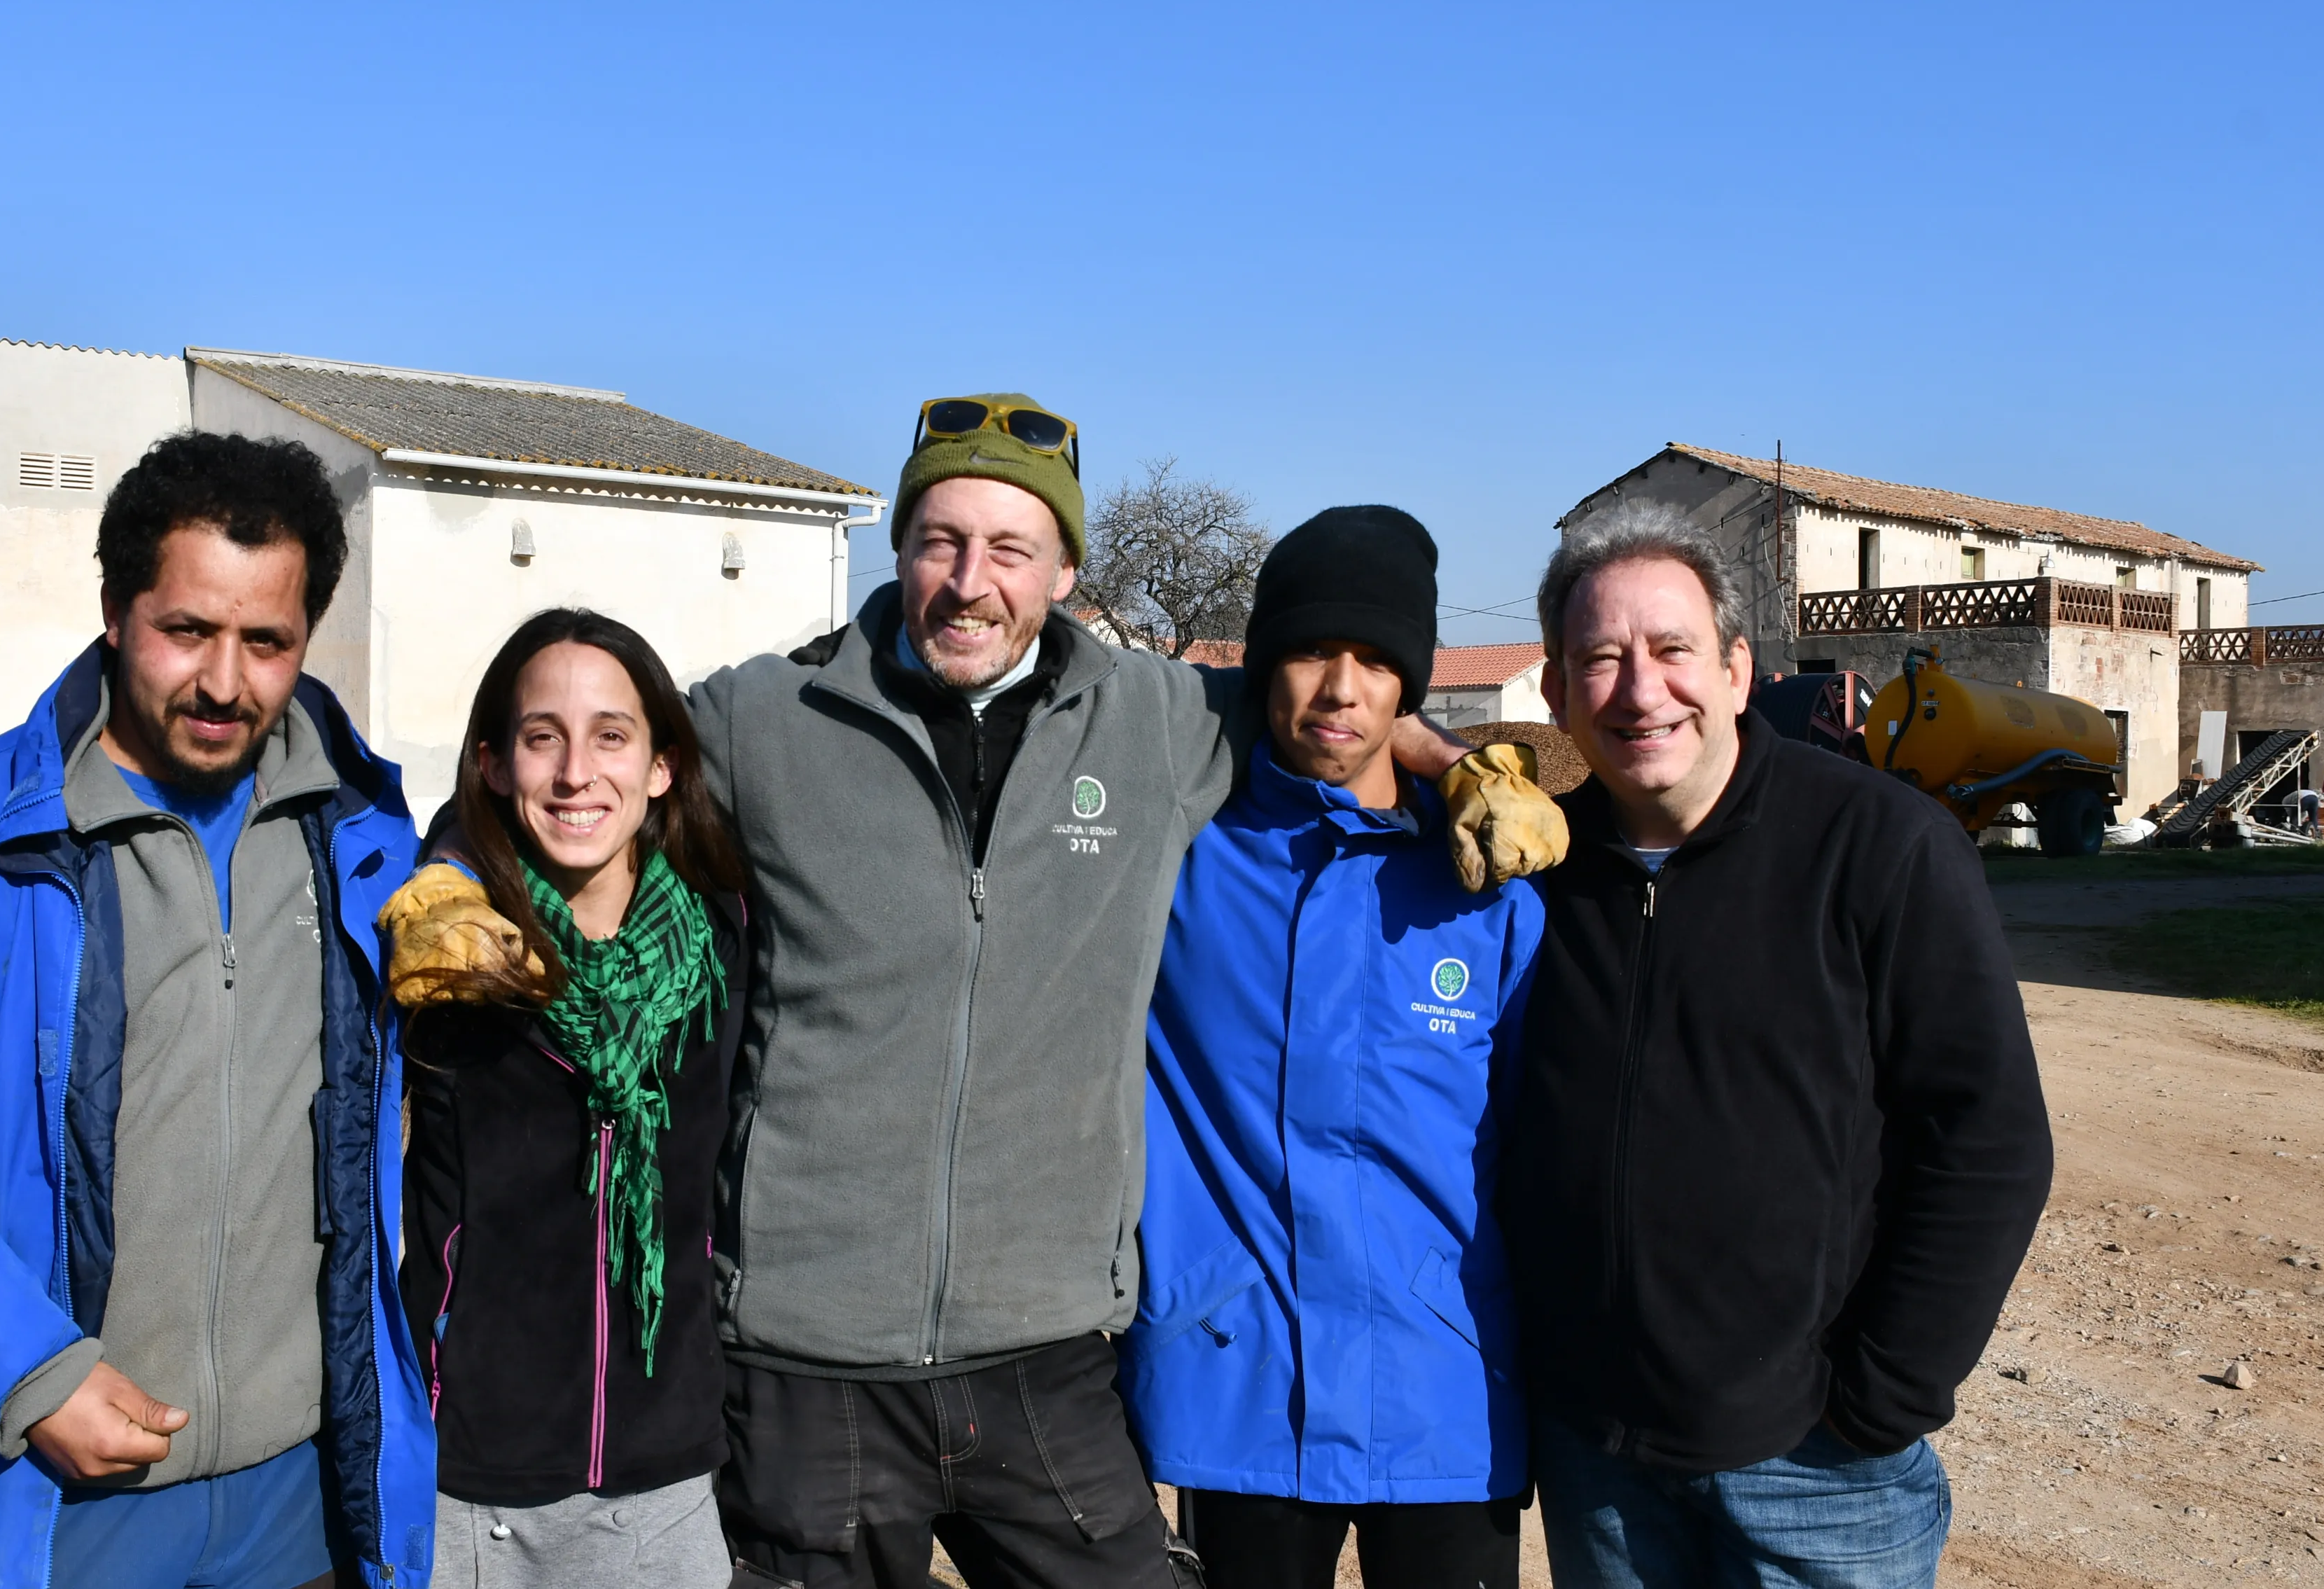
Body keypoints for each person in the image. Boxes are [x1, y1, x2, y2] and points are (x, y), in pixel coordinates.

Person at [385, 394, 1566, 1588]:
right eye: (940, 542)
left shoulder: (1157, 722)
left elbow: (1333, 707)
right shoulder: (764, 716)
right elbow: (581, 767)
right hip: (807, 1361)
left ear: (1062, 571)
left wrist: (1469, 766)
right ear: (898, 550)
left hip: (1044, 1351)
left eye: (1010, 549)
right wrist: (444, 875)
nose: (969, 581)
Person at [0, 433, 435, 1589]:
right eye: (187, 632)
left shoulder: (364, 841)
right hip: (45, 1505)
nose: (225, 682)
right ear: (116, 611)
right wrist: (31, 1373)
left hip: (302, 1505)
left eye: (266, 642)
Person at [1504, 506, 2054, 1589]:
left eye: (1672, 650)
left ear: (1737, 667)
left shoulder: (1881, 847)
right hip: (1596, 1460)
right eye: (1599, 660)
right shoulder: (1538, 878)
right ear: (1558, 693)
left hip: (1816, 1472)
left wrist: (1878, 1397)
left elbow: (1985, 1139)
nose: (1639, 689)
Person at [1118, 506, 1543, 1589]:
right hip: (1236, 1380)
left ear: (1411, 680)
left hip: (1446, 1391)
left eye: (1375, 660)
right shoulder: (1177, 855)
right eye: (1308, 651)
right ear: (1262, 667)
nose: (1340, 688)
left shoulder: (1486, 893)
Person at [387, 609, 749, 1588]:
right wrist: (446, 857)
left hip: (664, 1472)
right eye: (541, 737)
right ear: (495, 764)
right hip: (471, 1475)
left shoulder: (721, 944)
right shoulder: (449, 955)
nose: (576, 772)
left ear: (662, 765)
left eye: (611, 736)